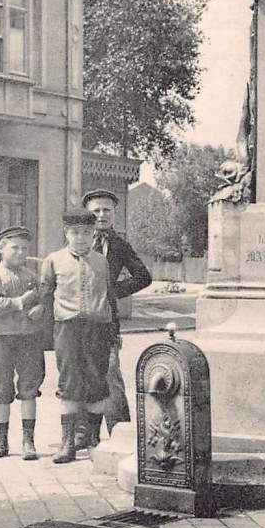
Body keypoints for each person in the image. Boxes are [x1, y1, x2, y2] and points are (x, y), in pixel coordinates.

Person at [75, 189, 152, 453]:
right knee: (81, 374)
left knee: (110, 375)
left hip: (107, 321)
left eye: (107, 210)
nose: (101, 215)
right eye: (96, 210)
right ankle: (85, 434)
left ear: (114, 214)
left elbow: (144, 276)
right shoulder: (76, 241)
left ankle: (123, 435)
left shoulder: (119, 245)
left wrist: (113, 292)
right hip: (77, 320)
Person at [39, 210, 115, 465]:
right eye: (75, 232)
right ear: (66, 234)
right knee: (69, 383)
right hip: (67, 329)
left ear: (93, 234)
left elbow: (111, 299)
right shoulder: (53, 261)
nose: (80, 237)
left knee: (96, 382)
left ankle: (93, 440)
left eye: (85, 232)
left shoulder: (102, 262)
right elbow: (45, 297)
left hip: (98, 329)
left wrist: (114, 333)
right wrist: (48, 335)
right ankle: (68, 443)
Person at [0, 226, 45, 461]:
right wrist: (19, 302)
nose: (20, 252)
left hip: (29, 338)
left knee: (29, 388)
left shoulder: (31, 277)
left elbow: (42, 301)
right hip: (2, 338)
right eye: (15, 247)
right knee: (1, 389)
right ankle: (1, 441)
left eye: (24, 248)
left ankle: (28, 441)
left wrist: (39, 308)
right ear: (1, 249)